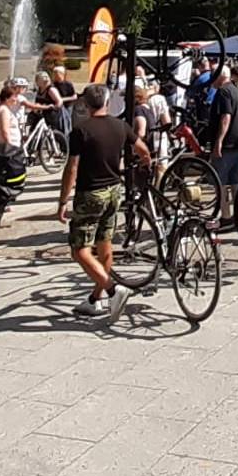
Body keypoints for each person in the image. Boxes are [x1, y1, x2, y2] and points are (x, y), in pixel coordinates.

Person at [53, 84, 150, 322]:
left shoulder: (81, 130)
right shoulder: (120, 126)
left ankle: (111, 289)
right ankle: (95, 299)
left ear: (85, 104)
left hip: (90, 193)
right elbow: (141, 148)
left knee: (79, 249)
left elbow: (72, 167)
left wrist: (63, 200)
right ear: (107, 102)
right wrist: (145, 162)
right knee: (104, 242)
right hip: (113, 190)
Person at [207, 63, 238, 225]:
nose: (211, 78)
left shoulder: (223, 92)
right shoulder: (235, 89)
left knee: (221, 182)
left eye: (213, 74)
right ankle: (237, 216)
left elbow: (226, 117)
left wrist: (218, 141)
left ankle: (225, 216)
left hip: (227, 144)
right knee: (235, 181)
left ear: (219, 76)